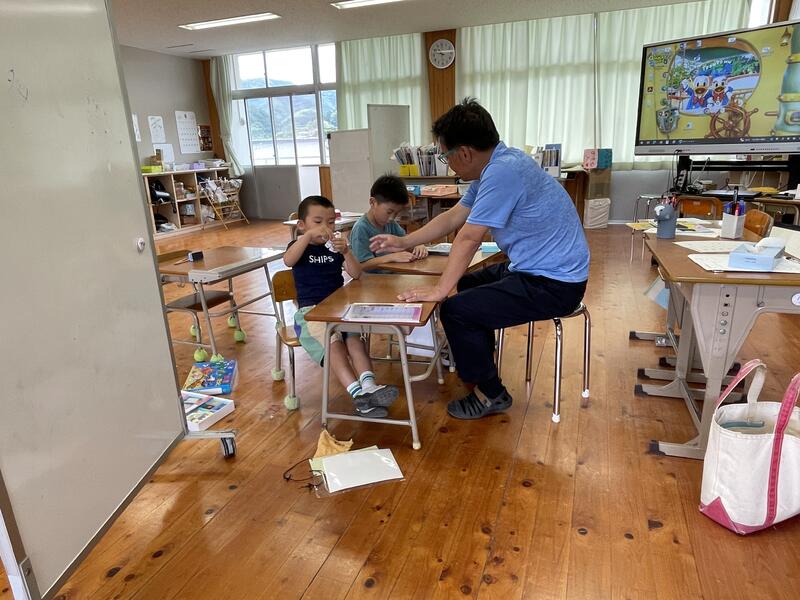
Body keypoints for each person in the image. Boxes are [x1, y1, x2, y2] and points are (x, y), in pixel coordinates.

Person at [370, 98, 590, 420]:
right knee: (465, 286)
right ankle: (479, 362)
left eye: (445, 156)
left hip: (555, 284)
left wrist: (440, 290)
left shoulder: (502, 172)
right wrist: (404, 241)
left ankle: (490, 393)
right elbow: (453, 218)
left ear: (464, 153)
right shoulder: (499, 165)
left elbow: (469, 237)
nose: (448, 164)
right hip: (538, 270)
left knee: (456, 309)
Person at [283, 195, 398, 417]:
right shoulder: (298, 247)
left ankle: (369, 386)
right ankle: (357, 393)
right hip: (311, 313)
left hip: (339, 309)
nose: (325, 228)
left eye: (331, 222)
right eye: (318, 222)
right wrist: (306, 237)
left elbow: (356, 274)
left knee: (355, 341)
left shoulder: (334, 248)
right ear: (301, 225)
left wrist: (346, 251)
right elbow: (288, 260)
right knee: (334, 344)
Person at [349, 174, 428, 272]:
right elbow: (361, 266)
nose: (392, 218)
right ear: (373, 202)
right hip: (372, 279)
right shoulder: (361, 228)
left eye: (396, 213)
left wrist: (416, 245)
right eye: (389, 212)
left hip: (392, 275)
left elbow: (405, 241)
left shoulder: (391, 224)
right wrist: (391, 257)